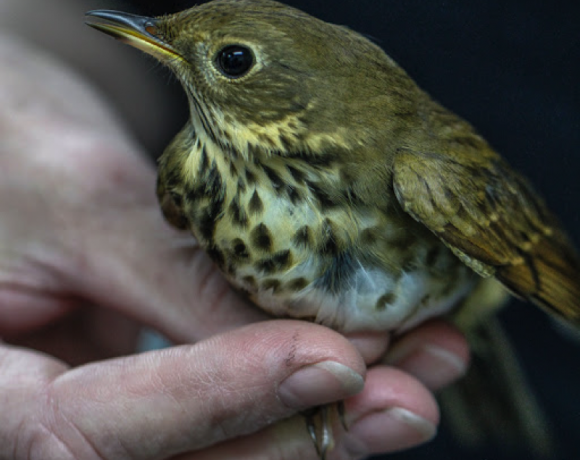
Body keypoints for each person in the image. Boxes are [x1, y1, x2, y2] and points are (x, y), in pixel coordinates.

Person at [0, 2, 469, 458]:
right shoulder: (188, 171)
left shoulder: (421, 179)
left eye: (233, 60)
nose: (226, 62)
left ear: (298, 99)